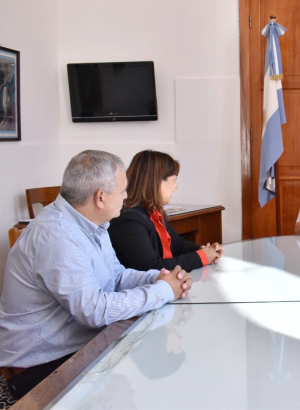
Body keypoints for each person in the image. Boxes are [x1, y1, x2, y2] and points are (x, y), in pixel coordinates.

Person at [0, 150, 192, 399]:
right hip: (41, 370)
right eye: (122, 190)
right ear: (100, 197)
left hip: (77, 351)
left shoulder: (93, 226)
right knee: (153, 382)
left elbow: (116, 276)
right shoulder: (57, 236)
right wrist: (164, 290)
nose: (126, 196)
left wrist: (157, 278)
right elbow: (94, 311)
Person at [108, 150, 223, 272]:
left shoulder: (153, 212)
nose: (176, 186)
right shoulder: (129, 221)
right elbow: (152, 267)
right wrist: (201, 257)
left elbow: (178, 245)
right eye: (174, 180)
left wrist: (204, 250)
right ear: (158, 181)